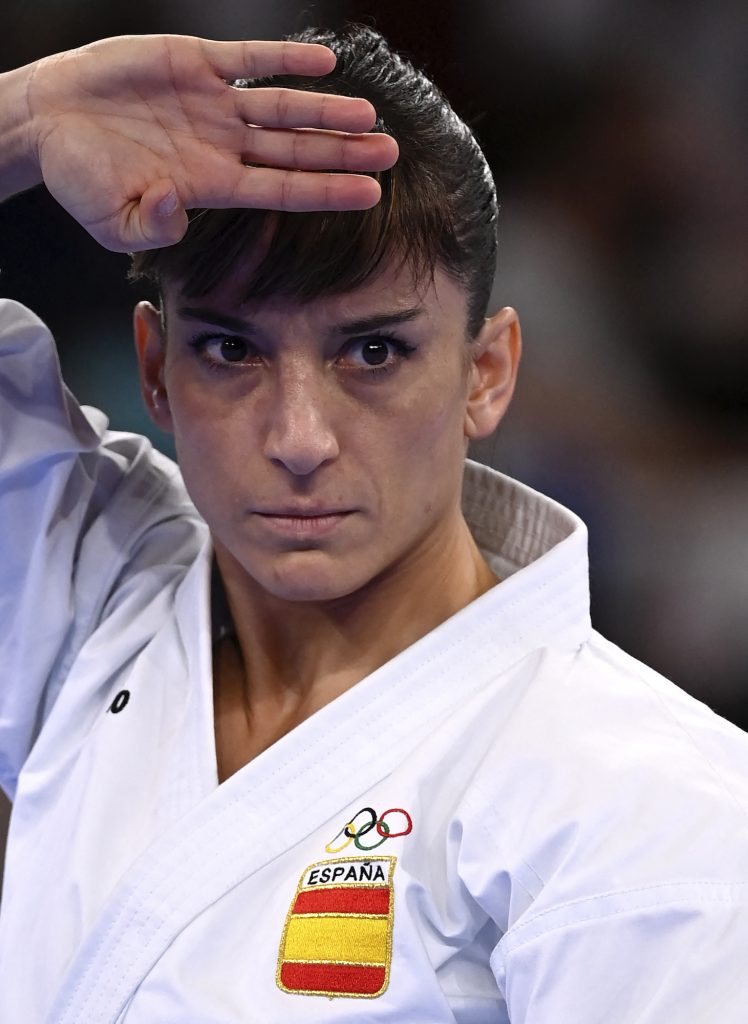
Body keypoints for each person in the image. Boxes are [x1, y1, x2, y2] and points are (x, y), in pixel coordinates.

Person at [1, 24, 747, 1024]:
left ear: (486, 372)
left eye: (373, 353)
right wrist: (28, 114)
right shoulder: (87, 593)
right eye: (231, 348)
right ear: (152, 370)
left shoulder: (643, 797)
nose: (299, 437)